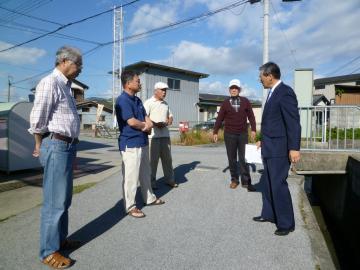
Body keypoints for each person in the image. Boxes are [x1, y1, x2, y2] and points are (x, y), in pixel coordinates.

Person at [29, 46, 83, 269]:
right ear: (63, 61)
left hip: (67, 147)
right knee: (54, 202)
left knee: (64, 199)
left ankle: (60, 240)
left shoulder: (66, 87)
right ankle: (48, 252)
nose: (80, 69)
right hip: (56, 145)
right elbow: (37, 119)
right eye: (77, 64)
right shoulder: (49, 83)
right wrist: (40, 145)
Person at [253, 62, 301, 236]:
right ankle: (269, 214)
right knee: (268, 182)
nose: (260, 80)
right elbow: (274, 123)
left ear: (270, 76)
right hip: (270, 146)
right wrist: (262, 141)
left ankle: (286, 223)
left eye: (261, 77)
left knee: (278, 184)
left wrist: (294, 147)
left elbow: (293, 122)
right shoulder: (273, 93)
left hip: (280, 149)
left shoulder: (285, 92)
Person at [115, 70, 165, 219]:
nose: (140, 83)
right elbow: (131, 121)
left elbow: (146, 117)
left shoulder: (136, 100)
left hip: (142, 142)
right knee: (131, 177)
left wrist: (147, 124)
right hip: (130, 144)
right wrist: (145, 126)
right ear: (128, 83)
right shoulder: (123, 100)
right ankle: (130, 206)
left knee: (145, 173)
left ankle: (149, 198)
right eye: (137, 81)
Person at [213, 79, 257, 192]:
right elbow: (219, 118)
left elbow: (251, 116)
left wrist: (253, 129)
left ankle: (246, 181)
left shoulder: (245, 101)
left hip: (243, 134)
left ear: (239, 90)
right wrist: (215, 131)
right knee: (232, 159)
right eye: (232, 88)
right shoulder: (225, 103)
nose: (234, 90)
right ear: (229, 90)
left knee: (244, 158)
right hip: (229, 134)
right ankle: (234, 180)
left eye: (236, 88)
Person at [144, 82, 178, 189]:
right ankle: (151, 183)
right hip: (153, 136)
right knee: (152, 162)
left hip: (165, 135)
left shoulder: (165, 104)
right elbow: (144, 117)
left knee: (168, 160)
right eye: (162, 90)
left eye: (165, 90)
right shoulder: (148, 103)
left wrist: (170, 120)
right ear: (156, 91)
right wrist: (155, 124)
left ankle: (170, 180)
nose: (164, 92)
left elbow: (171, 115)